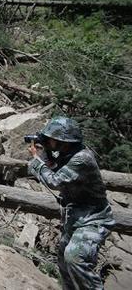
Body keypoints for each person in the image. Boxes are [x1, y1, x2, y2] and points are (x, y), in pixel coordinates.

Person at [27, 117, 115, 290]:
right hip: (75, 219)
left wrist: (37, 160)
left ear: (62, 141)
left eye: (51, 138)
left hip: (93, 220)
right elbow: (54, 168)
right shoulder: (67, 154)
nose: (48, 141)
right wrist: (46, 156)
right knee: (64, 262)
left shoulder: (81, 159)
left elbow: (55, 181)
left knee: (74, 258)